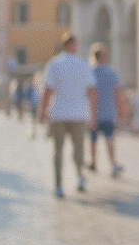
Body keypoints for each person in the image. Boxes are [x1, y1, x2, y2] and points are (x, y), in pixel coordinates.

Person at [38, 33, 98, 196]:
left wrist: (42, 113)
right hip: (79, 114)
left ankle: (59, 185)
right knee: (78, 150)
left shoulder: (54, 64)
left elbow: (47, 91)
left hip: (59, 113)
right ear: (75, 45)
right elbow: (92, 92)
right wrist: (93, 116)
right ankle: (80, 177)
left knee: (58, 151)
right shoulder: (83, 65)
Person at [87, 43, 126, 177]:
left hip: (93, 114)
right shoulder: (112, 73)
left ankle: (93, 162)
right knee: (109, 138)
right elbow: (118, 94)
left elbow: (87, 94)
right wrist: (121, 111)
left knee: (93, 139)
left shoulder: (90, 72)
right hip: (109, 112)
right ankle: (113, 164)